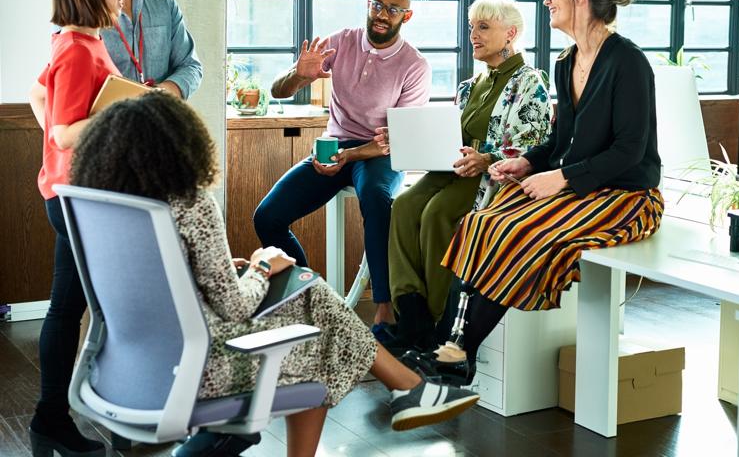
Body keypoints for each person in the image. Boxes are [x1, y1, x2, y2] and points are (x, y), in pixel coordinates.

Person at [68, 93, 479, 457]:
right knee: (317, 336)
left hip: (125, 368)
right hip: (203, 368)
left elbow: (157, 278)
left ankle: (409, 388)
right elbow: (233, 305)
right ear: (179, 145)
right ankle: (410, 388)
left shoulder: (108, 208)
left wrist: (223, 269)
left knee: (308, 291)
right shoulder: (191, 204)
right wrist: (263, 266)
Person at [409, 0, 664, 385]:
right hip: (580, 187)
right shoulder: (566, 63)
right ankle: (448, 348)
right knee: (480, 222)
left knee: (516, 230)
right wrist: (528, 162)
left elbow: (628, 151)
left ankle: (456, 353)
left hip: (626, 196)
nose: (547, 1)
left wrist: (560, 178)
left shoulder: (628, 62)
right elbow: (562, 141)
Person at [376, 0, 552, 354]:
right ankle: (411, 315)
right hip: (452, 168)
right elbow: (449, 136)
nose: (473, 34)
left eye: (484, 27)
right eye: (472, 27)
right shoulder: (471, 85)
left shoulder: (529, 81)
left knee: (436, 213)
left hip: (489, 176)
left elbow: (536, 143)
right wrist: (409, 140)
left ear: (510, 34)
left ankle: (439, 324)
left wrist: (487, 159)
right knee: (404, 205)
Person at [254, 0, 430, 337]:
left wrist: (349, 157)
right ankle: (308, 298)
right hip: (334, 146)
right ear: (369, 5)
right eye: (378, 5)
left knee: (378, 201)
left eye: (393, 10)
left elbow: (395, 141)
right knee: (267, 217)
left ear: (406, 16)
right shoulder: (341, 41)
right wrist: (299, 75)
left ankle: (384, 310)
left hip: (376, 154)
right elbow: (278, 90)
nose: (382, 15)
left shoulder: (414, 65)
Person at [27, 0, 129, 457]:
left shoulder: (74, 41)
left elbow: (38, 96)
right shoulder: (75, 47)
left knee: (72, 309)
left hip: (73, 193)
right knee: (75, 310)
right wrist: (128, 109)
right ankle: (61, 418)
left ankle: (61, 418)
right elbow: (67, 133)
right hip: (76, 198)